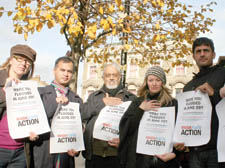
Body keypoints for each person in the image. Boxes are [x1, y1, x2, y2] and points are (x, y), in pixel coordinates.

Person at [118, 66, 180, 168]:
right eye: (151, 80)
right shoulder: (138, 102)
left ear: (162, 82)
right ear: (146, 82)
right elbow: (126, 127)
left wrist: (175, 153)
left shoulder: (172, 103)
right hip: (140, 160)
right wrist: (141, 109)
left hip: (164, 160)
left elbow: (178, 131)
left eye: (158, 80)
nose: (154, 83)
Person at [29, 56, 84, 168]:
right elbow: (35, 120)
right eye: (62, 70)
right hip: (44, 152)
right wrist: (55, 103)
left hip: (66, 155)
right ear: (54, 71)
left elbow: (79, 128)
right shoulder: (39, 94)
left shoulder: (76, 99)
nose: (66, 74)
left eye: (69, 71)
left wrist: (76, 148)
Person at [178, 37, 225, 168]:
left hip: (218, 149)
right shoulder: (187, 87)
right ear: (193, 56)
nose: (202, 54)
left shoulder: (223, 74)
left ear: (213, 54)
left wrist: (213, 93)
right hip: (195, 151)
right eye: (198, 51)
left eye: (206, 50)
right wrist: (181, 138)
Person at [82, 62, 136, 168]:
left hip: (118, 157)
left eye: (114, 75)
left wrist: (124, 142)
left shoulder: (130, 98)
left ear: (120, 77)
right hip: (94, 156)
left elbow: (135, 129)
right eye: (108, 75)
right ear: (103, 77)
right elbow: (83, 113)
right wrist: (102, 103)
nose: (111, 78)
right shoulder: (94, 96)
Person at [0, 44, 37, 168]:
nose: (23, 63)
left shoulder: (30, 88)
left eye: (27, 61)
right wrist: (5, 93)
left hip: (21, 152)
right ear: (11, 59)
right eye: (19, 58)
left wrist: (34, 131)